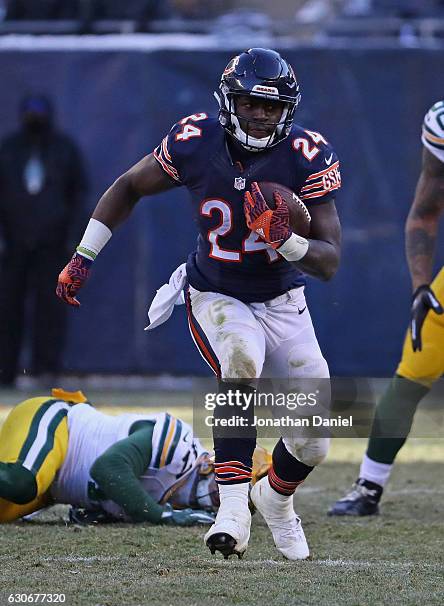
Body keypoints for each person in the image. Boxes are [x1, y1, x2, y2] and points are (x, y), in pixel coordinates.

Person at [56, 48, 342, 560]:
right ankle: (231, 512)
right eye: (251, 102)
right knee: (240, 361)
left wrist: (286, 240)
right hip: (216, 290)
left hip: (283, 299)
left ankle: (273, 498)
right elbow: (127, 186)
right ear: (229, 101)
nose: (260, 114)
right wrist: (83, 255)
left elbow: (329, 260)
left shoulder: (305, 155)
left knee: (315, 439)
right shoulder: (195, 141)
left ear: (288, 110)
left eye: (271, 107)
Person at [328, 100, 444, 516]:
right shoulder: (441, 123)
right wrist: (419, 286)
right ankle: (368, 487)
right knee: (411, 374)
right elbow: (425, 212)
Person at [0, 388, 218, 525]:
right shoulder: (180, 447)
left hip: (51, 487)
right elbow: (108, 468)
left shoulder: (181, 504)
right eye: (226, 486)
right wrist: (160, 516)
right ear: (213, 465)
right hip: (60, 425)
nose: (223, 498)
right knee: (20, 483)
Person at [0, 94, 88, 387]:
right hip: (13, 245)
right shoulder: (9, 149)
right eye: (30, 113)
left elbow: (78, 195)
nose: (34, 119)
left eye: (39, 113)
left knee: (50, 310)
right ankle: (6, 370)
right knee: (8, 308)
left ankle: (44, 369)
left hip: (52, 245)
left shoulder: (64, 150)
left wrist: (73, 241)